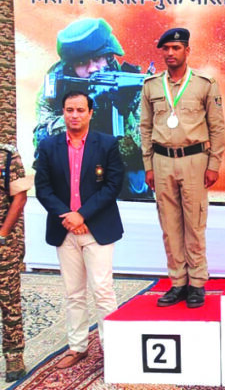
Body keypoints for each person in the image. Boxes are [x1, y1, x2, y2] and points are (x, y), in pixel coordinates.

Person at [35, 90, 124, 369]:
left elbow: (113, 186)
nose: (75, 115)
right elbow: (43, 188)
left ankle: (114, 351)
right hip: (65, 229)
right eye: (70, 110)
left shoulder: (107, 144)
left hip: (97, 228)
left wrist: (82, 215)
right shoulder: (48, 146)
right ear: (63, 112)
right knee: (74, 292)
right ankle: (77, 347)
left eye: (80, 110)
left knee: (103, 290)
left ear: (90, 113)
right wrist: (68, 216)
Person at [140, 28, 225, 308]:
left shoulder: (204, 83)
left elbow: (217, 127)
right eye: (165, 48)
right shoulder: (151, 85)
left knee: (194, 224)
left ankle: (197, 283)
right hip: (162, 160)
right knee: (170, 225)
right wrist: (148, 165)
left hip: (194, 160)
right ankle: (177, 282)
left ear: (187, 50)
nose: (170, 53)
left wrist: (214, 164)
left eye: (176, 48)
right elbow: (145, 128)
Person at [33, 17, 149, 199]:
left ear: (109, 57)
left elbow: (146, 147)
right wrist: (85, 113)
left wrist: (125, 113)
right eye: (82, 63)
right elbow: (41, 139)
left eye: (96, 59)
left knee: (138, 178)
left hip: (122, 171)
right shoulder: (57, 87)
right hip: (76, 170)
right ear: (71, 66)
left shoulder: (131, 86)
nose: (92, 69)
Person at [0, 144, 32, 382]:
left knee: (8, 298)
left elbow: (19, 198)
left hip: (5, 243)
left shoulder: (7, 156)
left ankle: (14, 356)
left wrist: (3, 234)